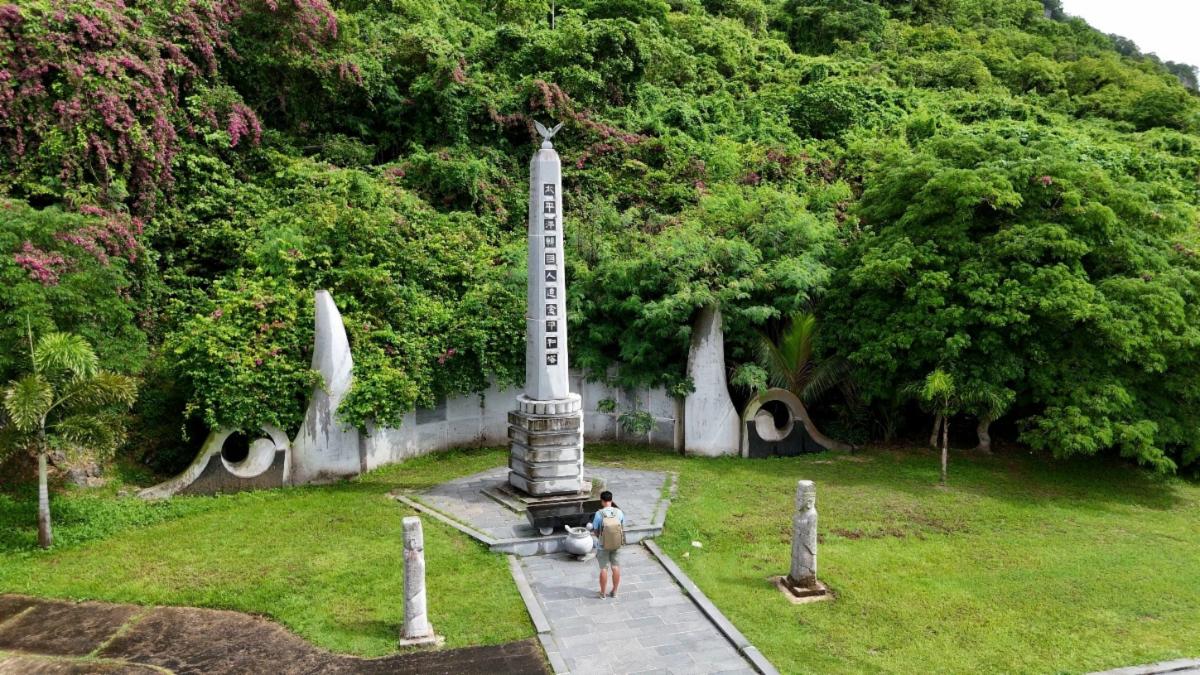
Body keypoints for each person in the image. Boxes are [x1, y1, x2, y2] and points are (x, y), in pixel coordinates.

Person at [589, 490, 625, 599]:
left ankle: (603, 593)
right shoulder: (619, 512)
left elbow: (595, 530)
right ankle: (614, 592)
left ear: (602, 501)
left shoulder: (599, 514)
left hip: (603, 545)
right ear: (611, 500)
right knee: (615, 567)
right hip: (616, 544)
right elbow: (622, 527)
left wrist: (601, 537)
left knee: (604, 569)